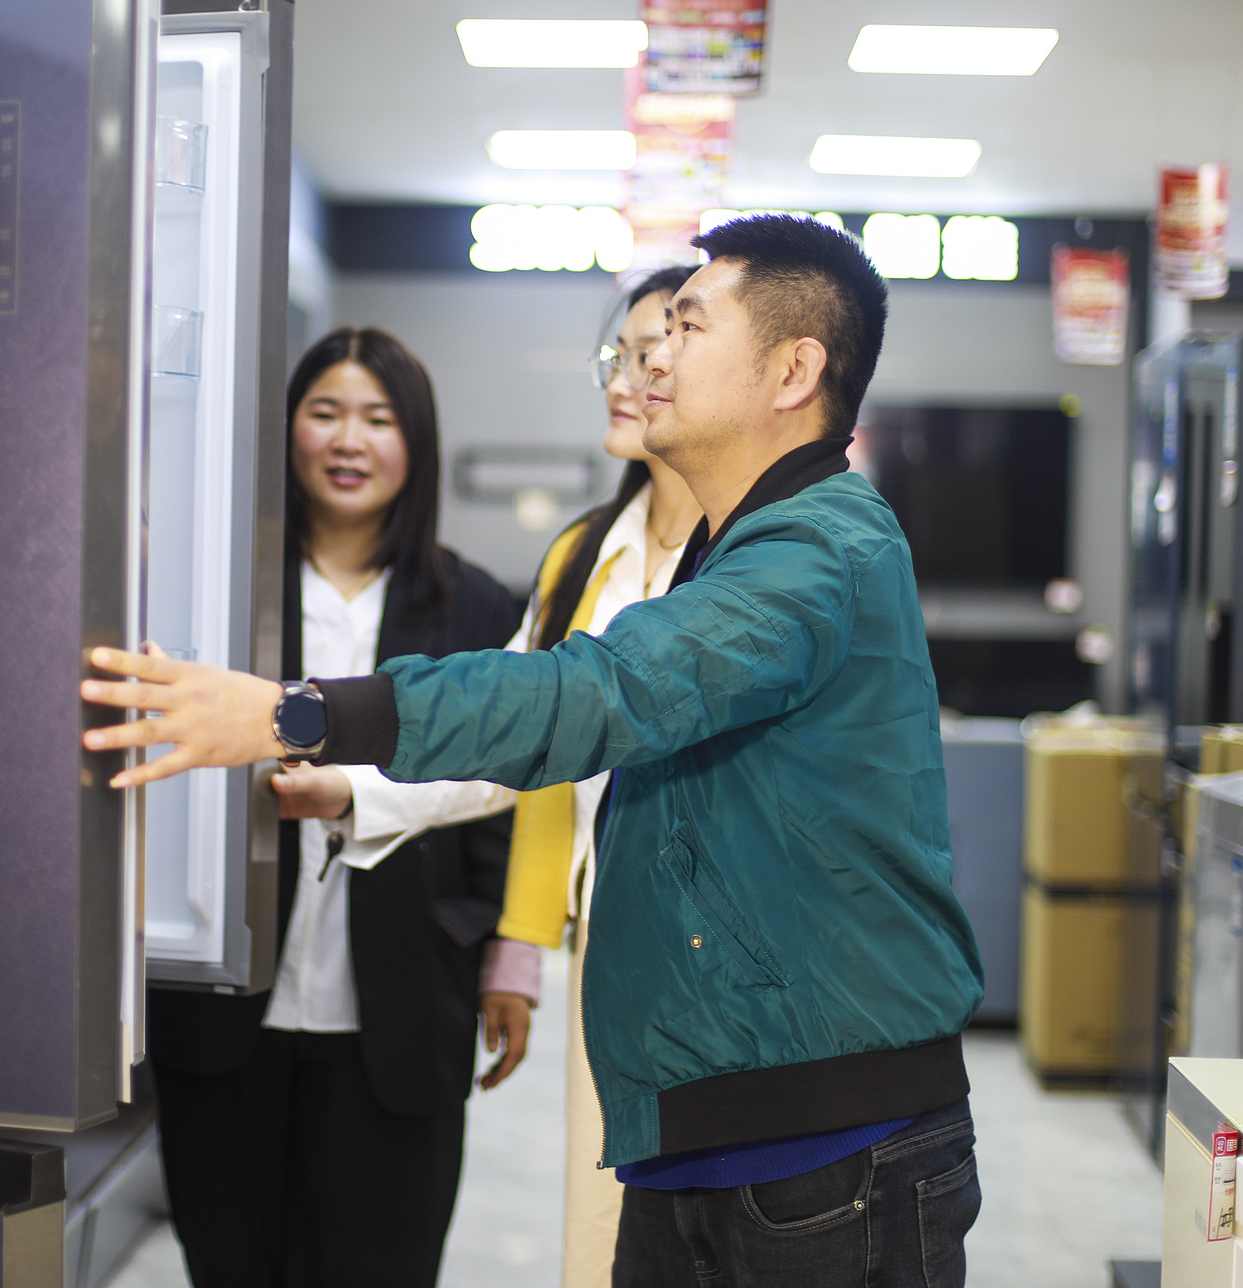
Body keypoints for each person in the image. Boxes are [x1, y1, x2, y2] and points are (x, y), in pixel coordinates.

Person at [85, 216, 986, 1288]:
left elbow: (592, 694)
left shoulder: (817, 548)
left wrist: (299, 712)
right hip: (697, 1118)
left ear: (792, 370)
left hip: (824, 1139)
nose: (651, 353)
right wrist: (346, 788)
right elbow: (545, 732)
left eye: (687, 326)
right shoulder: (717, 546)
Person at [143, 327, 530, 1288]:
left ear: (417, 443)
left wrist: (503, 955)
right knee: (232, 1264)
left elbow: (503, 797)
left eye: (377, 418)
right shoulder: (217, 591)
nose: (348, 440)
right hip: (227, 1012)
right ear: (287, 432)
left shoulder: (475, 607)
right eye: (324, 413)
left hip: (400, 1007)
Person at [479, 262, 704, 1288]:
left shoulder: (766, 555)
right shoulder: (583, 553)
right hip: (604, 966)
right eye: (619, 350)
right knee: (602, 1241)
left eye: (661, 347)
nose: (628, 373)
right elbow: (521, 747)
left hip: (729, 977)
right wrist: (522, 945)